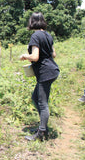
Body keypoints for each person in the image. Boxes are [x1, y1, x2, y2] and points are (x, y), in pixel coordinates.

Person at [20, 12, 59, 141]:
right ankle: (43, 126)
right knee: (35, 98)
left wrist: (25, 56)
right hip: (52, 69)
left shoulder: (35, 36)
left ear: (32, 22)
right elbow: (53, 54)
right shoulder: (47, 35)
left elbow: (35, 57)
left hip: (45, 72)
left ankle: (42, 133)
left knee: (42, 103)